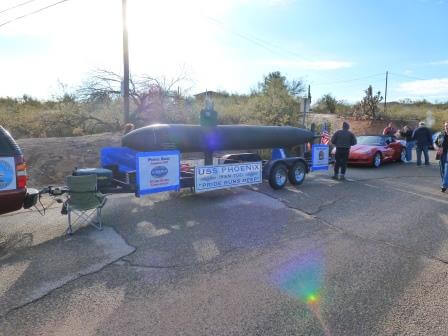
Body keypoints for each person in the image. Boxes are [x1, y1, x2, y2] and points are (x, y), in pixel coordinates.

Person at [435, 121, 448, 192]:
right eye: (446, 126)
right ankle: (444, 184)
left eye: (447, 126)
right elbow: (435, 143)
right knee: (443, 170)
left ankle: (444, 185)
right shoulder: (441, 134)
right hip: (442, 154)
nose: (447, 127)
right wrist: (437, 148)